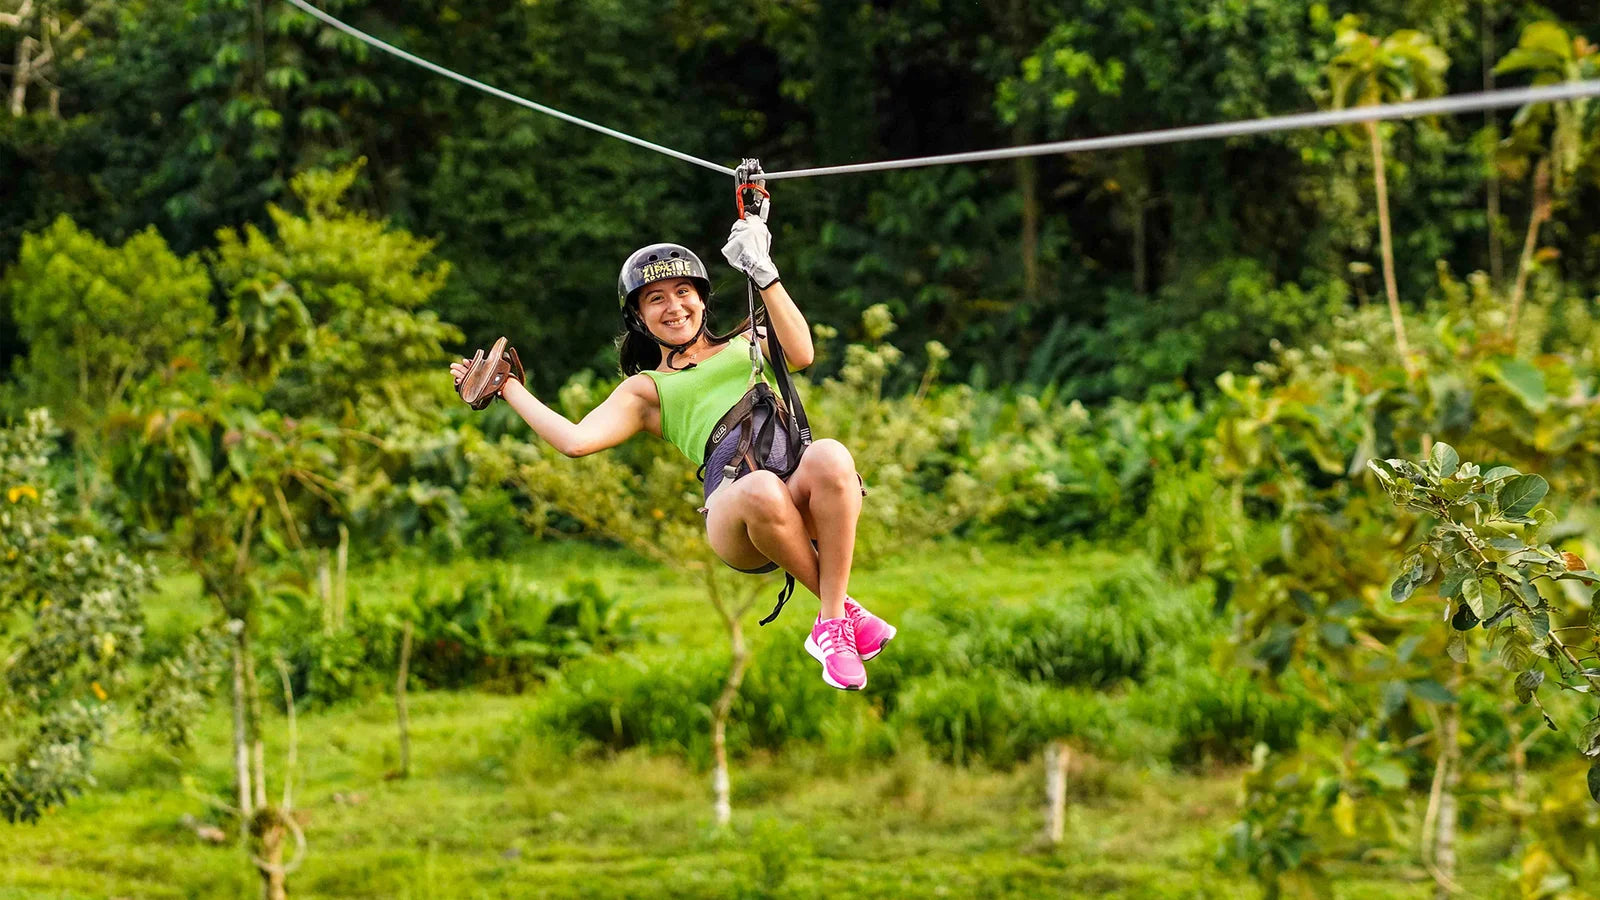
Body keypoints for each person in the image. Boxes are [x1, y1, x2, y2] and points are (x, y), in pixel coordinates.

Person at [449, 216, 895, 690]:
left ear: (702, 299)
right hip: (735, 514)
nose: (674, 306)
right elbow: (574, 441)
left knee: (829, 453)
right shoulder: (647, 389)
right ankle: (841, 614)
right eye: (656, 298)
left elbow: (802, 352)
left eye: (684, 292)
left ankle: (832, 621)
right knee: (762, 487)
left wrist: (763, 270)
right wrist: (509, 388)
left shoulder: (748, 342)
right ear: (639, 317)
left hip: (797, 492)